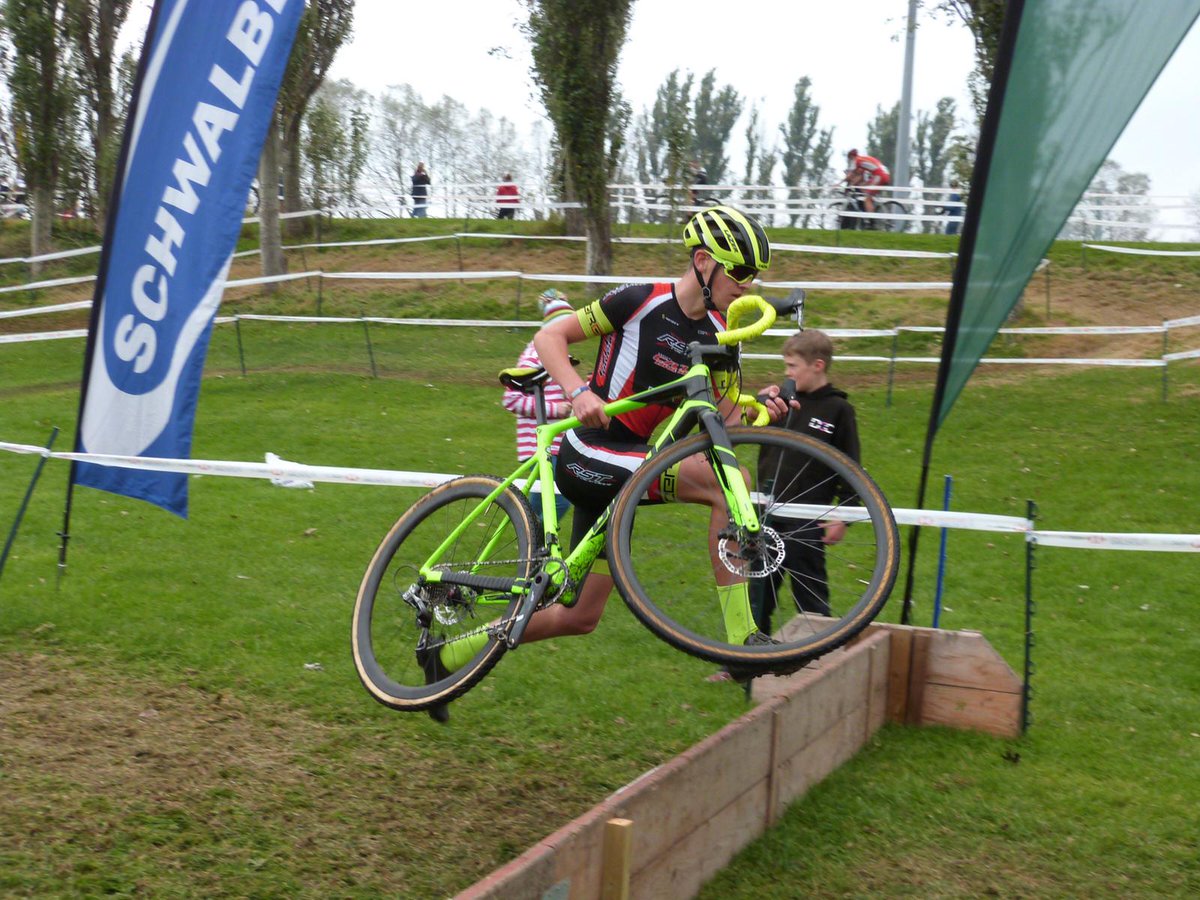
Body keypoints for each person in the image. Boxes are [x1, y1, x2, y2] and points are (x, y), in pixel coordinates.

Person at [420, 205, 785, 721]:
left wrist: (762, 407)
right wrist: (575, 392)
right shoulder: (639, 301)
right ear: (703, 262)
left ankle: (447, 656)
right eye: (741, 273)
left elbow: (719, 426)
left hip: (632, 465)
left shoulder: (721, 336)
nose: (749, 287)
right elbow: (551, 338)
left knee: (580, 615)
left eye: (756, 278)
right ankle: (742, 641)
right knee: (732, 483)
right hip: (588, 449)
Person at [749, 329, 860, 633]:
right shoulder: (781, 403)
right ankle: (743, 666)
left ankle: (816, 662)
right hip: (766, 513)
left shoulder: (839, 410)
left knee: (811, 594)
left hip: (808, 519)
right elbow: (746, 424)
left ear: (818, 365)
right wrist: (756, 406)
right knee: (757, 593)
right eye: (785, 366)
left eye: (792, 367)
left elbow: (851, 468)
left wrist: (845, 515)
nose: (786, 373)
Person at [501, 288, 575, 521]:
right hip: (540, 445)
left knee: (535, 507)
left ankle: (528, 546)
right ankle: (535, 545)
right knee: (562, 498)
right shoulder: (536, 354)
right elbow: (511, 398)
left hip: (554, 445)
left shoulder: (557, 352)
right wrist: (557, 409)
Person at [843, 149, 891, 216]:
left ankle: (870, 220)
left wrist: (839, 184)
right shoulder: (862, 159)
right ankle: (871, 206)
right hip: (884, 174)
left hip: (879, 175)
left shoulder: (857, 160)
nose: (851, 161)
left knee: (867, 200)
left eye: (850, 159)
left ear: (851, 156)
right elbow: (860, 175)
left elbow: (851, 175)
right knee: (863, 186)